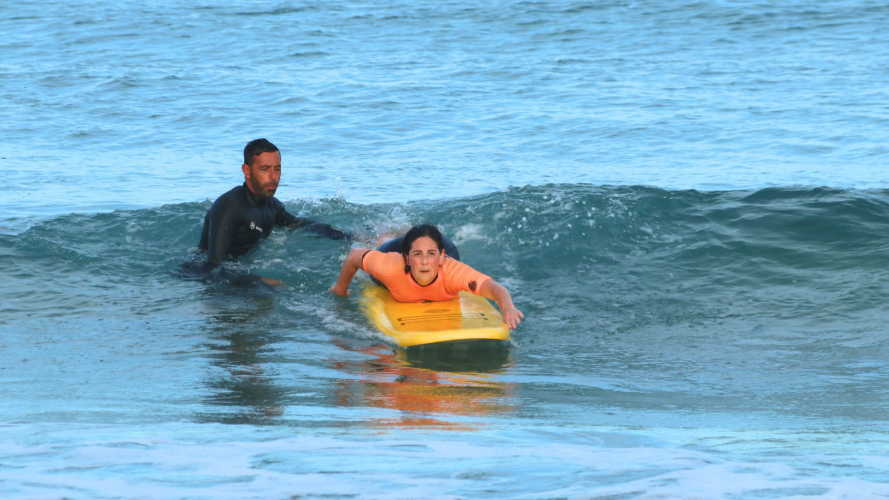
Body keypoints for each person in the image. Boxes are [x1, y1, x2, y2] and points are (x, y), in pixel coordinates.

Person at [197, 138, 350, 283]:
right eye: (264, 169)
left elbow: (300, 225)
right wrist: (259, 281)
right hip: (203, 278)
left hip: (236, 273)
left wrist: (350, 236)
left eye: (277, 169)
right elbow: (213, 268)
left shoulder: (271, 206)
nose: (273, 177)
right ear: (247, 171)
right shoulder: (229, 206)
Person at [331, 224, 524, 329]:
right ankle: (390, 233)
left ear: (441, 258)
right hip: (398, 249)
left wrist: (507, 307)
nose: (424, 262)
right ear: (406, 257)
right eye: (417, 256)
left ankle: (418, 236)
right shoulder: (390, 267)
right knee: (384, 242)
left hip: (445, 247)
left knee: (428, 246)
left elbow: (493, 287)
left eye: (432, 255)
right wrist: (340, 290)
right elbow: (354, 256)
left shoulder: (453, 272)